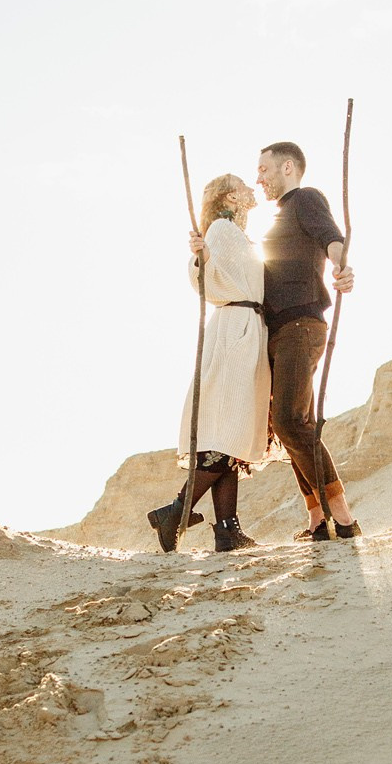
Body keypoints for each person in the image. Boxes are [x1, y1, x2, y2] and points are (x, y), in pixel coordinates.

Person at [148, 173, 272, 554]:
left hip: (245, 328)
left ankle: (227, 530)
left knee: (227, 436)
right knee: (226, 431)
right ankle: (176, 512)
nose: (252, 188)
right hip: (236, 332)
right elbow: (204, 273)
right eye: (243, 185)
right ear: (229, 195)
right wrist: (201, 256)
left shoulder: (233, 232)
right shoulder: (220, 228)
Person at [254, 140, 360, 541]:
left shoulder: (305, 199)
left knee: (289, 420)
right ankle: (316, 518)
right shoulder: (280, 217)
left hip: (300, 324)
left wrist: (342, 267)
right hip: (280, 330)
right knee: (290, 424)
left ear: (286, 168)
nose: (258, 177)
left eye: (263, 169)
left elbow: (331, 237)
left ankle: (343, 516)